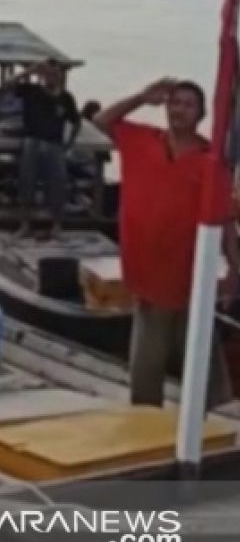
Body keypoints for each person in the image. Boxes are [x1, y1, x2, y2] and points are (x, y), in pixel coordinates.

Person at [94, 78, 239, 409]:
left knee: (197, 348)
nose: (179, 110)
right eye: (174, 102)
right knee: (152, 362)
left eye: (188, 105)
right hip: (146, 270)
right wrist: (142, 97)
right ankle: (151, 420)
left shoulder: (209, 161)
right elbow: (101, 122)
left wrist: (234, 267)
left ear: (201, 114)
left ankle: (218, 415)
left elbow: (226, 219)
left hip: (187, 272)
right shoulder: (144, 139)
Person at [6, 59, 80, 237]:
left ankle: (56, 225)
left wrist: (69, 144)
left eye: (54, 74)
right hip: (32, 141)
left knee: (58, 184)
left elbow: (76, 122)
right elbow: (8, 85)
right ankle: (25, 224)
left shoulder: (66, 98)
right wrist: (28, 71)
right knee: (27, 182)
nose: (50, 77)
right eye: (46, 74)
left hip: (54, 144)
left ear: (60, 75)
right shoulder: (32, 91)